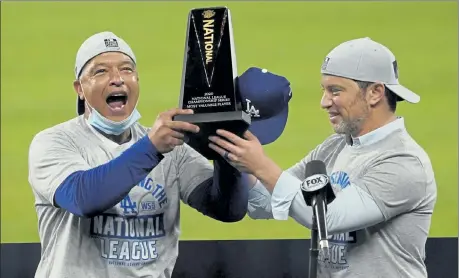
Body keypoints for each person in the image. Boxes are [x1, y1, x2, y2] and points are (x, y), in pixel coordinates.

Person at [27, 31, 288, 278]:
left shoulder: (170, 147)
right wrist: (151, 149)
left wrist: (226, 145)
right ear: (79, 89)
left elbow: (226, 209)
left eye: (127, 69)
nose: (117, 78)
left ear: (137, 81)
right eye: (101, 71)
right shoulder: (54, 142)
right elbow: (83, 198)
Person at [208, 37, 437, 277]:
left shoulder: (403, 162)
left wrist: (262, 165)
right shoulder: (335, 147)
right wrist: (233, 154)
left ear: (375, 93)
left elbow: (328, 218)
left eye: (335, 91)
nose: (324, 102)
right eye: (324, 90)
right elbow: (264, 203)